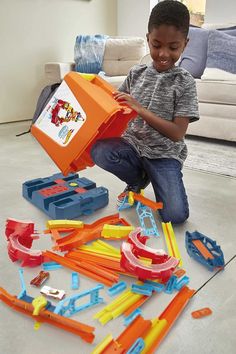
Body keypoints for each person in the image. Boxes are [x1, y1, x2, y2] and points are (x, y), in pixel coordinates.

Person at [91, 0, 199, 224]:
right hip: (132, 146)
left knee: (175, 215)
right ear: (148, 38)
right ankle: (138, 179)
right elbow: (115, 105)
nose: (162, 54)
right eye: (156, 44)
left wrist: (140, 109)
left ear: (185, 45)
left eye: (173, 47)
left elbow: (177, 133)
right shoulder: (136, 72)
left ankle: (150, 174)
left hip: (164, 154)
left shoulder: (185, 82)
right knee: (99, 150)